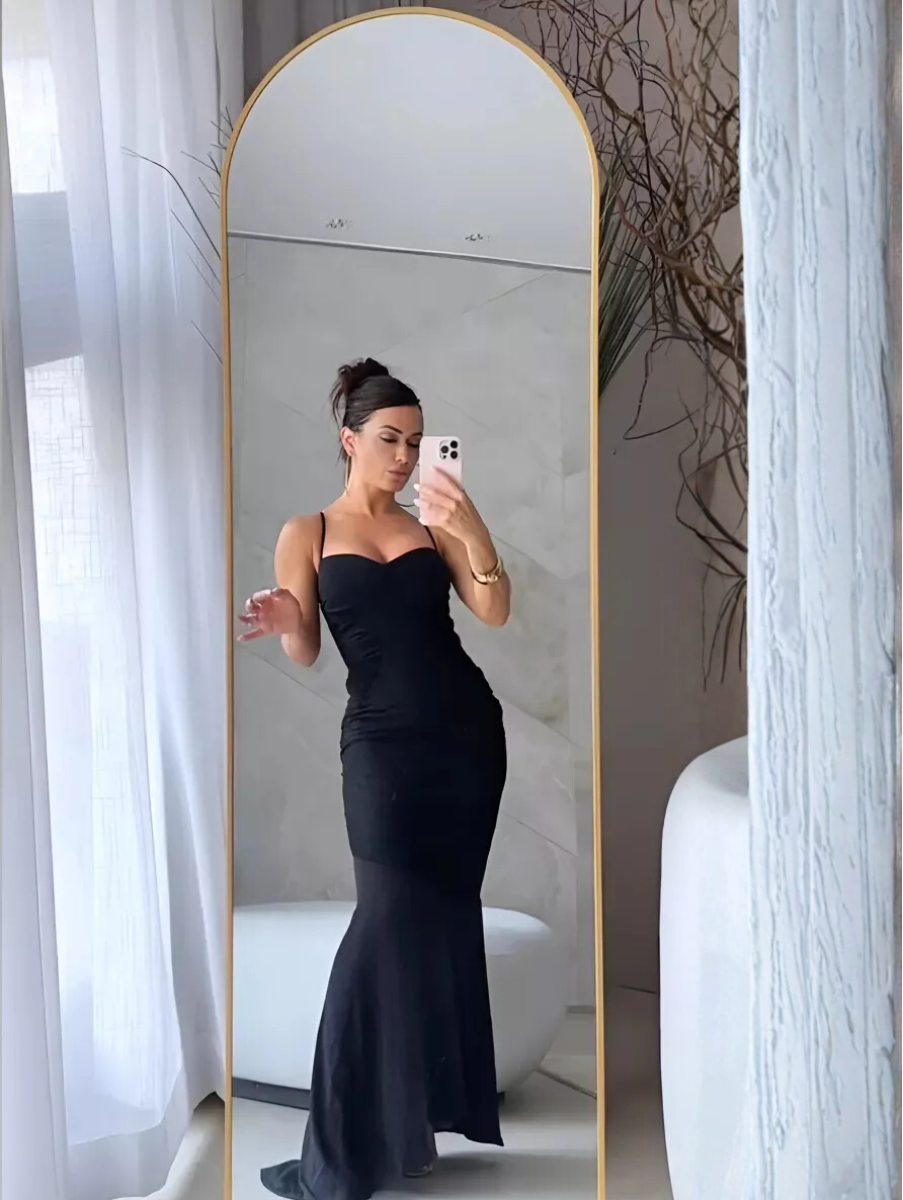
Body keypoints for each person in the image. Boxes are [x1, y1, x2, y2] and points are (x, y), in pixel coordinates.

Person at [238, 358, 511, 1200]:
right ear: (349, 440)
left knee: (437, 921)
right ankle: (340, 1150)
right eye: (389, 439)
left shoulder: (433, 524)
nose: (404, 456)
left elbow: (493, 608)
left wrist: (471, 526)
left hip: (467, 737)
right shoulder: (308, 531)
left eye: (416, 442)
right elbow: (307, 650)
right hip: (382, 746)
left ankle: (409, 1128)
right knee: (386, 921)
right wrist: (289, 615)